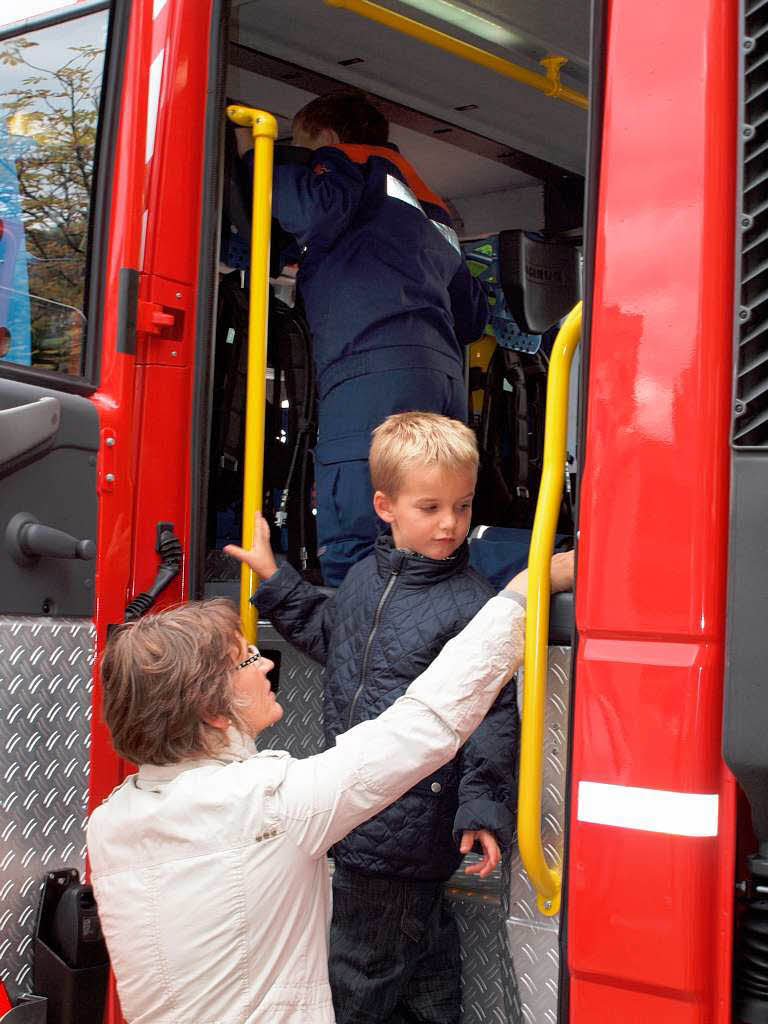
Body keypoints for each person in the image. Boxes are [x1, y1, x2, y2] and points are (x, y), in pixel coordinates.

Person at [87, 551, 574, 1024]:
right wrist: (523, 591)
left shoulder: (108, 823)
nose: (265, 665)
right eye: (245, 661)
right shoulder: (271, 806)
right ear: (212, 711)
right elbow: (425, 723)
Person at [226, 412, 517, 1023]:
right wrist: (275, 577)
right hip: (367, 814)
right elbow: (332, 634)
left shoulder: (469, 601)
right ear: (386, 507)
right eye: (430, 507)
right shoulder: (365, 579)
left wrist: (482, 809)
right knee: (424, 971)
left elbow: (490, 714)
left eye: (462, 508)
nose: (449, 525)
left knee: (356, 980)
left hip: (398, 824)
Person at [237, 93, 489, 586]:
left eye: (305, 146)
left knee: (359, 526)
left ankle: (356, 641)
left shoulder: (347, 161)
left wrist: (254, 157)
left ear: (327, 138)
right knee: (430, 527)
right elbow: (472, 315)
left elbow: (309, 210)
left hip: (372, 370)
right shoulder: (428, 205)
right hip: (441, 375)